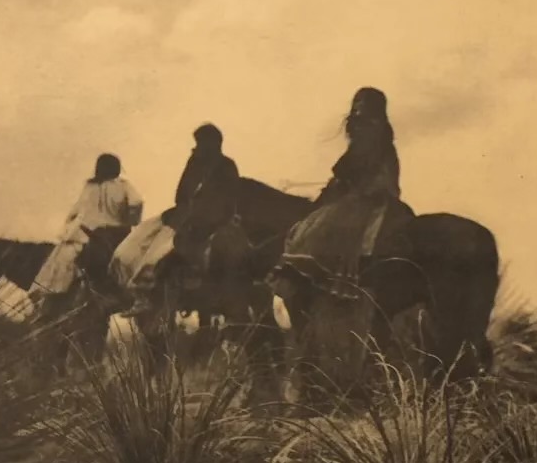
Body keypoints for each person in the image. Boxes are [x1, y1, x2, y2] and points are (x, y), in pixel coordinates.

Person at [272, 87, 414, 300]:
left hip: (367, 198)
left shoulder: (367, 133)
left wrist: (340, 184)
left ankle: (328, 280)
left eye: (361, 105)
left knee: (324, 227)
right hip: (382, 195)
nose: (356, 111)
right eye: (355, 105)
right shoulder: (383, 135)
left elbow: (347, 169)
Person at [121, 123, 241, 316]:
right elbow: (183, 193)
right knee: (160, 247)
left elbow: (185, 194)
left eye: (202, 143)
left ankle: (147, 292)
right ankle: (148, 292)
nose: (200, 147)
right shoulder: (213, 164)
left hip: (209, 219)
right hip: (204, 218)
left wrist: (197, 211)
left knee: (161, 249)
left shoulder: (213, 164)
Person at [29, 153, 143, 309]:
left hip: (90, 234)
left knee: (63, 259)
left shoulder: (90, 186)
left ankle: (54, 294)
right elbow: (137, 202)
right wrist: (130, 220)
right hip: (117, 235)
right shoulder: (124, 186)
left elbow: (75, 212)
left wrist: (69, 227)